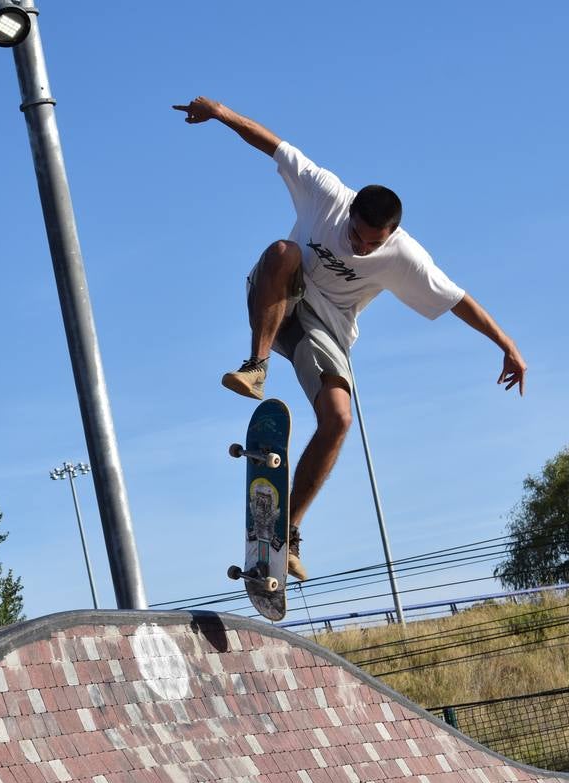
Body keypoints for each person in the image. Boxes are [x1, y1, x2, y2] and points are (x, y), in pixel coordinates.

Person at [174, 95, 527, 581]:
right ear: (351, 211)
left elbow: (457, 298)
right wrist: (219, 113)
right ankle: (255, 367)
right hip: (278, 298)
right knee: (283, 251)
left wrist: (505, 344)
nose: (360, 248)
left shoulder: (406, 256)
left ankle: (287, 533)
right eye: (356, 236)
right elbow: (272, 144)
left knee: (339, 419)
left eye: (371, 245)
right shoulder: (326, 193)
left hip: (323, 328)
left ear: (391, 235)